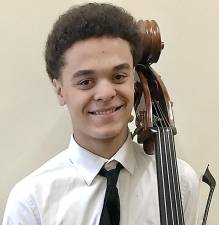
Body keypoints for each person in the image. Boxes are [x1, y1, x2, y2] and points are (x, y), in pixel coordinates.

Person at [2, 3, 199, 225]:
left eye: (119, 76)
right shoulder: (32, 203)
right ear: (60, 91)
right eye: (86, 82)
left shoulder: (180, 182)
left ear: (133, 79)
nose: (105, 93)